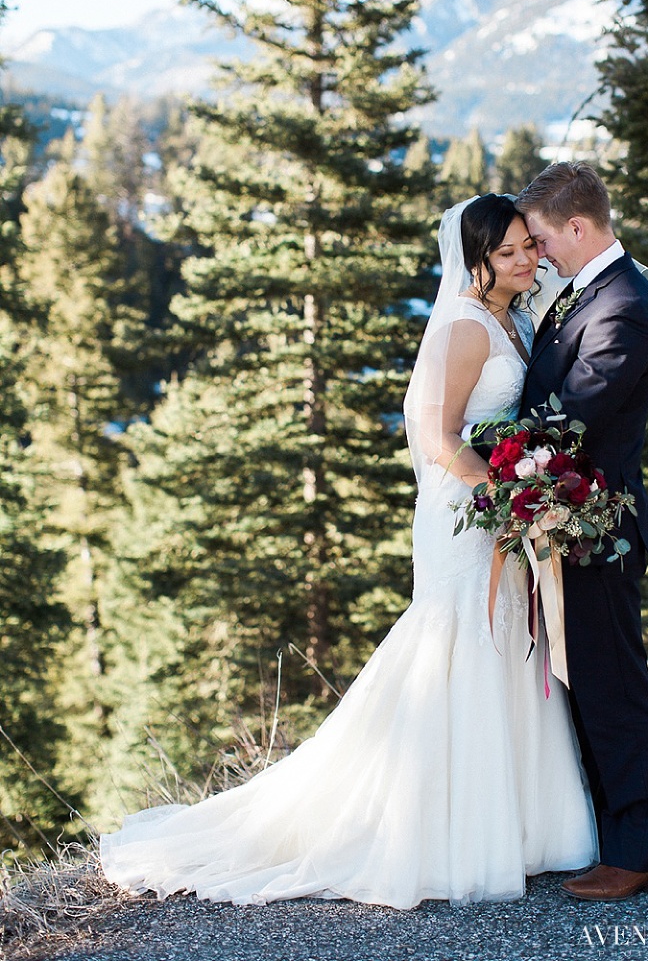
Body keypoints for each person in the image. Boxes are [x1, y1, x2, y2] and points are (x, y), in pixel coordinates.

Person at [100, 194, 597, 909]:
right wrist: (508, 495)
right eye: (509, 252)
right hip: (468, 509)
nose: (526, 260)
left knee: (503, 648)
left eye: (528, 245)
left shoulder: (510, 315)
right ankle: (434, 828)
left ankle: (519, 825)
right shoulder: (462, 327)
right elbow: (438, 437)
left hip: (498, 508)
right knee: (459, 648)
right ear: (476, 260)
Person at [515, 162, 648, 902]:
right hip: (568, 522)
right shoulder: (589, 291)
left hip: (598, 526)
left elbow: (571, 422)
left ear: (577, 227)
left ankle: (636, 853)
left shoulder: (624, 306)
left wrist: (489, 453)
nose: (538, 252)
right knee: (587, 686)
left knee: (615, 690)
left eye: (542, 238)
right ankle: (611, 836)